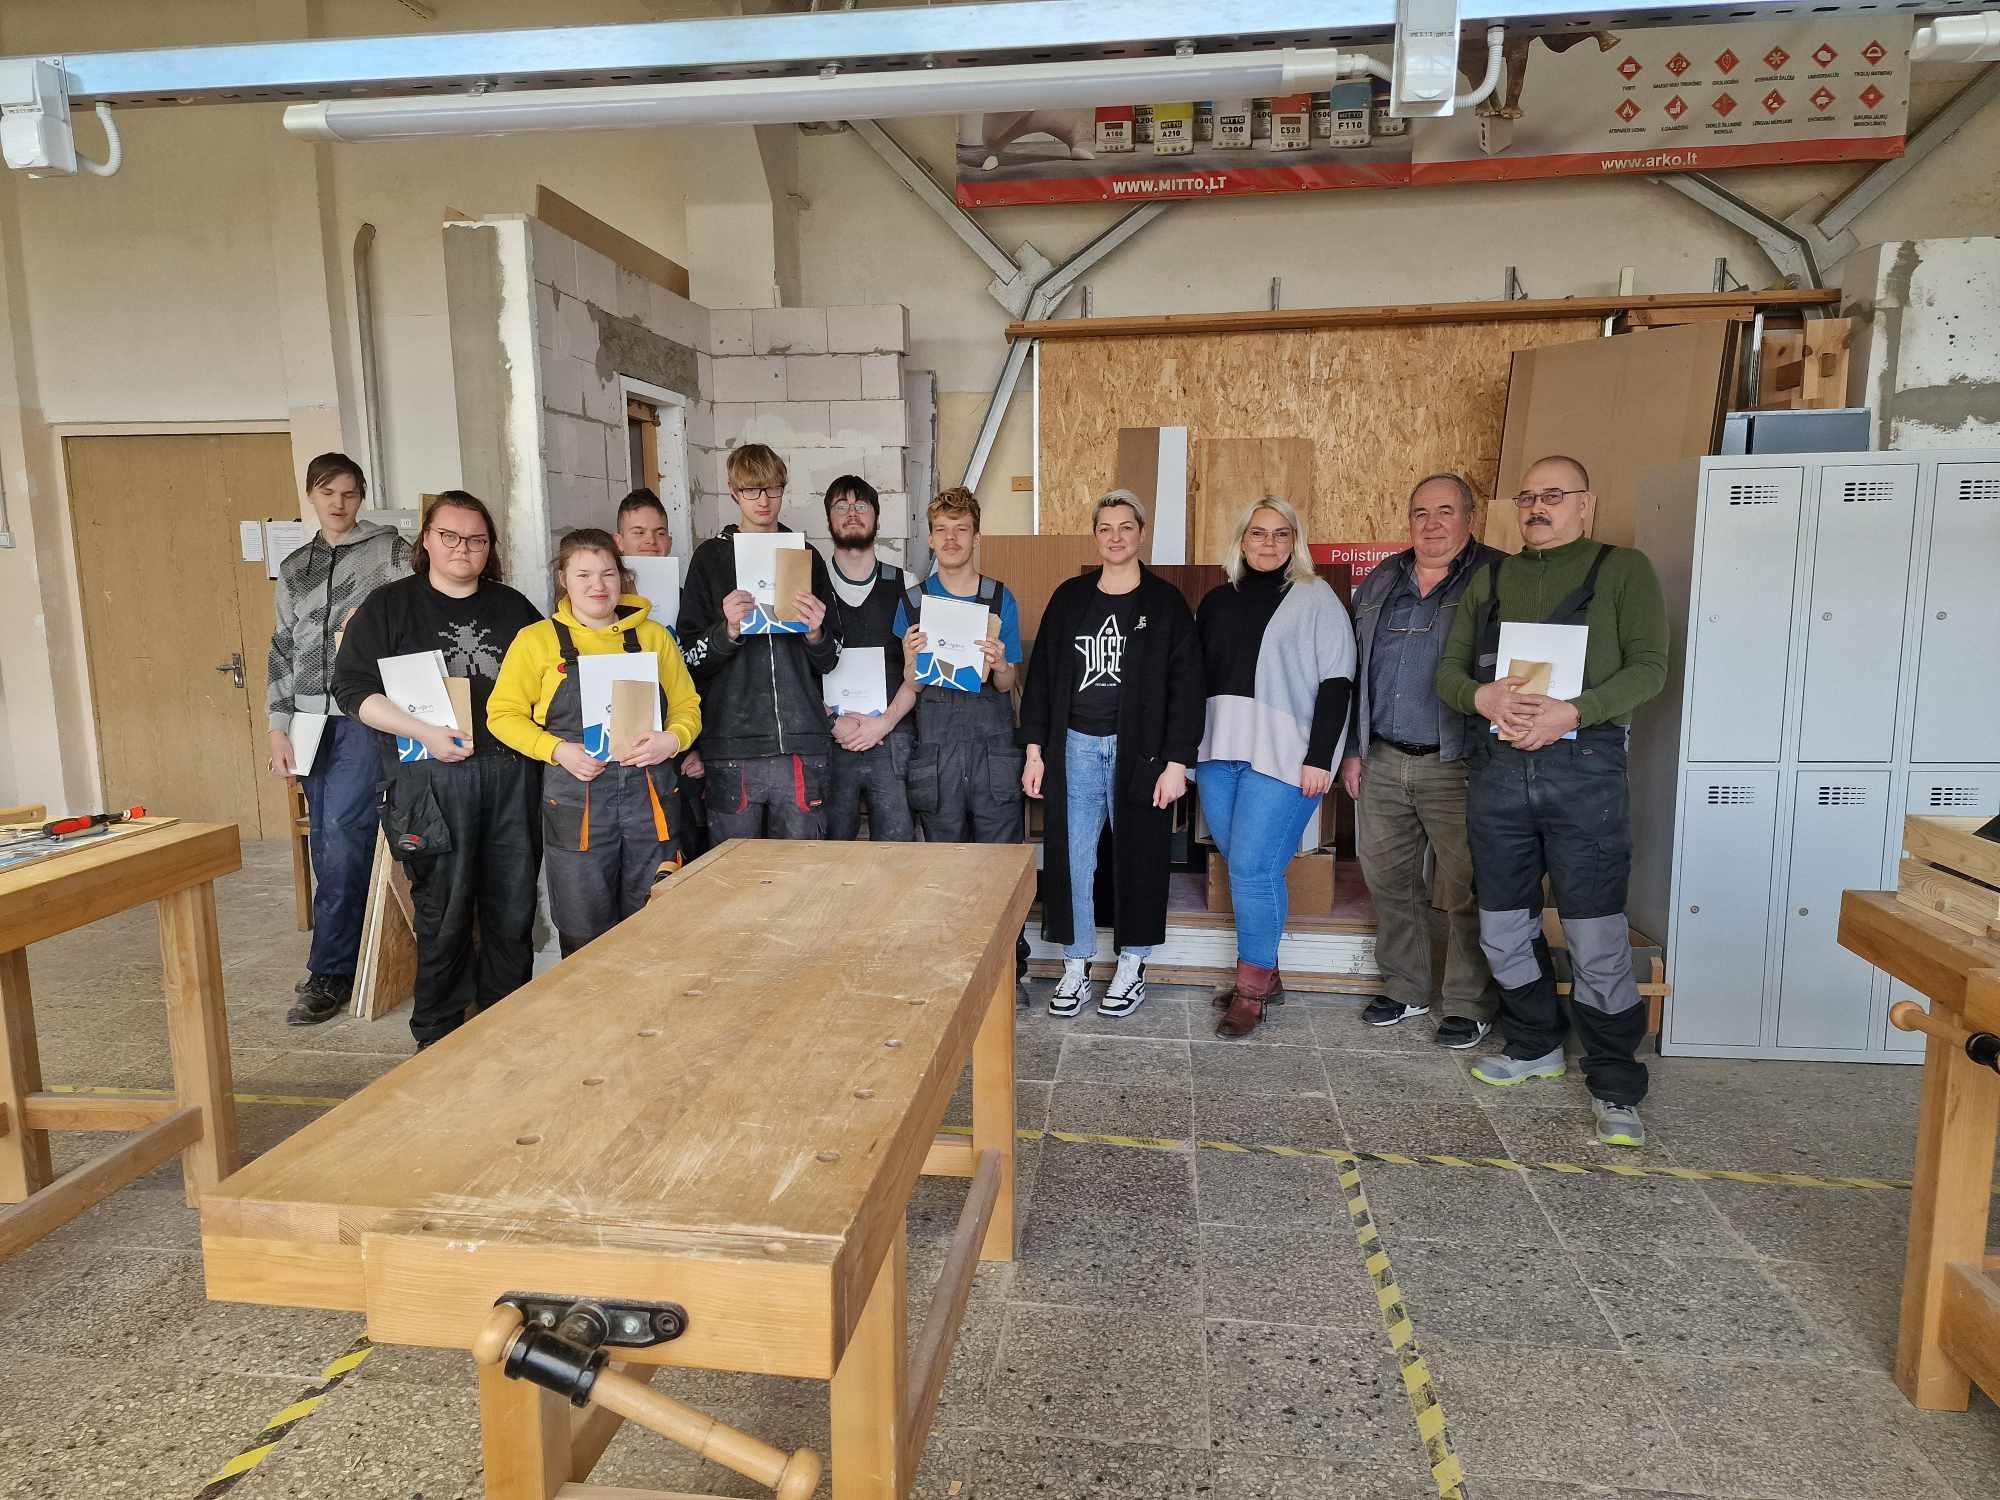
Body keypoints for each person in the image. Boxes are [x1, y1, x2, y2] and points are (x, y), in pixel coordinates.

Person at [1436, 454, 1668, 1147]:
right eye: (1528, 497)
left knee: (1596, 937)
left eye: (1555, 495)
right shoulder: (1491, 578)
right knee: (1502, 926)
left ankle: (1614, 1080)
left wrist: (1575, 711)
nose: (1538, 507)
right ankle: (1535, 1043)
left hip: (1585, 771)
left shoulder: (1623, 570)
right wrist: (1480, 697)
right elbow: (1448, 672)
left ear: (1585, 504)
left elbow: (1651, 667)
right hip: (1500, 772)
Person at [331, 491, 544, 1050]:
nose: (462, 548)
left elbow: (551, 685)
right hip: (428, 780)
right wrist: (422, 731)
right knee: (443, 916)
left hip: (510, 776)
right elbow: (350, 689)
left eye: (476, 539)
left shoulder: (515, 609)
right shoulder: (389, 607)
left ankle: (510, 1031)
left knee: (511, 911)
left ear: (490, 547)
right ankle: (439, 1040)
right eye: (449, 536)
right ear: (426, 539)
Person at [1021, 491, 1203, 1018]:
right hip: (1074, 746)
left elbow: (1187, 689)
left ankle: (1133, 963)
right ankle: (1076, 964)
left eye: (1126, 527)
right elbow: (1042, 679)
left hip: (1141, 753)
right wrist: (1034, 752)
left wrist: (1177, 763)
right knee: (1074, 860)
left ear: (1141, 533)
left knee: (1140, 856)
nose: (1116, 536)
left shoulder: (1165, 604)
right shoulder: (1069, 598)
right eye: (1106, 528)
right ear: (1095, 535)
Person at [1339, 474, 1503, 1048]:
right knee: (1389, 881)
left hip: (1461, 762)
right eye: (1420, 513)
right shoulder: (1382, 579)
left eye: (1445, 512)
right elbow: (1354, 672)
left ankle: (1468, 1002)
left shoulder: (1498, 576)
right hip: (1383, 758)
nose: (1431, 525)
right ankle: (1406, 986)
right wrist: (1353, 750)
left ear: (1470, 518)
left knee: (1465, 886)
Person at [488, 528, 701, 956]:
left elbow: (687, 706)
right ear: (563, 579)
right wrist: (556, 750)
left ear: (621, 576)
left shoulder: (654, 637)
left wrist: (672, 740)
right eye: (583, 575)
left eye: (607, 573)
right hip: (577, 803)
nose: (597, 586)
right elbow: (502, 715)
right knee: (584, 934)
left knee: (655, 924)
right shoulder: (536, 641)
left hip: (650, 801)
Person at [1196, 497, 1356, 1040]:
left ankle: (1250, 993)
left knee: (1253, 870)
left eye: (1281, 533)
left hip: (1286, 755)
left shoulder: (1316, 598)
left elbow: (1338, 682)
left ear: (1295, 541)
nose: (1269, 543)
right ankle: (1268, 975)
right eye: (1258, 532)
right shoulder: (1216, 601)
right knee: (1248, 865)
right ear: (1241, 540)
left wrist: (1320, 758)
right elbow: (1195, 677)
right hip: (1219, 750)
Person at [267, 453, 412, 1026]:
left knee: (345, 838)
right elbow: (282, 645)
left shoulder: (390, 552)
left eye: (349, 493)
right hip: (308, 721)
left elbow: (416, 619)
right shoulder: (295, 566)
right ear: (311, 494)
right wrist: (277, 725)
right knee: (325, 845)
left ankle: (328, 971)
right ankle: (341, 959)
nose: (339, 503)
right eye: (328, 493)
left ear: (361, 496)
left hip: (362, 713)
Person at [894, 487, 1030, 989]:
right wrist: (910, 660)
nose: (951, 539)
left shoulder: (999, 598)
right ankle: (949, 977)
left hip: (993, 751)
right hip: (937, 752)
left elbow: (1006, 684)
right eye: (942, 530)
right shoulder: (912, 603)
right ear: (930, 539)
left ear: (976, 537)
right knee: (943, 867)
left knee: (999, 866)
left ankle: (1008, 975)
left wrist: (1001, 662)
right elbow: (912, 683)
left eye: (961, 529)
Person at [677, 444, 842, 839]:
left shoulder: (806, 555)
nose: (764, 500)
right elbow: (688, 658)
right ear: (734, 492)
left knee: (803, 867)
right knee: (735, 869)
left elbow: (832, 657)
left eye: (773, 489)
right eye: (752, 490)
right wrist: (728, 631)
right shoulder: (710, 558)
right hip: (731, 745)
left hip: (801, 740)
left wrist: (816, 632)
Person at [822, 475, 918, 841]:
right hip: (829, 738)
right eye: (841, 506)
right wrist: (832, 722)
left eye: (861, 505)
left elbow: (918, 672)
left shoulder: (906, 584)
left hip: (892, 737)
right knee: (831, 854)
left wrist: (884, 724)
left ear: (877, 517)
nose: (852, 513)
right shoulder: (811, 585)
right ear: (828, 519)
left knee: (896, 854)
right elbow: (796, 669)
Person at [614, 487, 708, 859]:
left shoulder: (692, 600)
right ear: (618, 541)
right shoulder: (599, 605)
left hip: (681, 750)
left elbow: (708, 676)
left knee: (687, 854)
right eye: (638, 532)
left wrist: (698, 746)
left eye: (659, 533)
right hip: (621, 757)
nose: (650, 542)